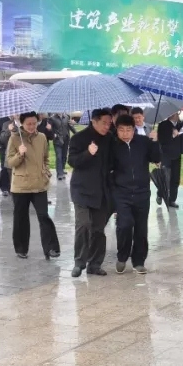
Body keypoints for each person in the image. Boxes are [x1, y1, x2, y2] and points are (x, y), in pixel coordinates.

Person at [110, 114, 163, 274]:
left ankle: (139, 261)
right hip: (122, 193)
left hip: (142, 192)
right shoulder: (112, 145)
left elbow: (156, 158)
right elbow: (108, 169)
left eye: (128, 130)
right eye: (121, 130)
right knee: (124, 225)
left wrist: (155, 141)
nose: (125, 133)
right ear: (117, 130)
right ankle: (122, 256)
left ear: (134, 130)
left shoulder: (143, 142)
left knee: (141, 228)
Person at [6, 112, 60, 259]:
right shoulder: (14, 138)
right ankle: (21, 248)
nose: (31, 126)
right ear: (22, 123)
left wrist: (46, 172)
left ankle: (51, 248)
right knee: (21, 218)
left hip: (39, 184)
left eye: (34, 123)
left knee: (44, 216)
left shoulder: (42, 137)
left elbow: (46, 158)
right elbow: (9, 162)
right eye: (28, 124)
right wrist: (20, 154)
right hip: (20, 186)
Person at [68, 109, 114, 277]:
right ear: (94, 121)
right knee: (83, 225)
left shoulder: (110, 138)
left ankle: (95, 264)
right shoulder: (78, 138)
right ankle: (79, 262)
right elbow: (72, 161)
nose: (107, 126)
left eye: (109, 123)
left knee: (98, 230)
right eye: (104, 123)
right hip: (82, 190)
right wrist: (88, 153)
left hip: (102, 190)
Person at [157, 111, 183, 208]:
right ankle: (160, 193)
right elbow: (161, 140)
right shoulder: (163, 125)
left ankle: (172, 199)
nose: (177, 115)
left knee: (175, 178)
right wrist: (172, 135)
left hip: (177, 155)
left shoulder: (180, 125)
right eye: (175, 113)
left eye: (177, 113)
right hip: (166, 155)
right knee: (165, 177)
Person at [51, 114, 74, 180]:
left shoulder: (67, 117)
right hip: (57, 141)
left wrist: (77, 134)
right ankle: (59, 174)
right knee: (59, 156)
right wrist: (53, 134)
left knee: (64, 156)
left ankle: (62, 170)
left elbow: (70, 127)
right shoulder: (52, 118)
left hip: (66, 140)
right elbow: (50, 130)